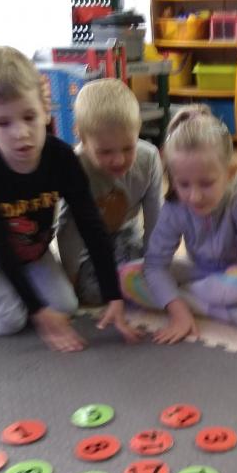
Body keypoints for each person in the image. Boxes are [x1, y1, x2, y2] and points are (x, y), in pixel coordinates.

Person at [0, 45, 139, 352]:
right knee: (9, 322)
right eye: (3, 123)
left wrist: (113, 296)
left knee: (66, 306)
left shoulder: (62, 159)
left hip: (33, 249)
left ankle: (16, 291)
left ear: (45, 108)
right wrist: (38, 312)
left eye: (29, 116)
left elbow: (91, 226)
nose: (21, 133)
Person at [131, 105, 237, 363]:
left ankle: (195, 300)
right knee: (129, 274)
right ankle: (213, 311)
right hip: (199, 272)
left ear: (230, 174)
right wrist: (178, 311)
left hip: (236, 274)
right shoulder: (175, 204)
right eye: (183, 184)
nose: (194, 196)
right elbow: (155, 265)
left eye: (206, 183)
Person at [57, 78, 163, 306]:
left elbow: (155, 219)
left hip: (126, 235)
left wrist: (155, 266)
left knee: (158, 276)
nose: (118, 160)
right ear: (82, 138)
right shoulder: (74, 166)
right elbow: (69, 230)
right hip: (87, 243)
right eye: (105, 152)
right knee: (92, 293)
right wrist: (70, 277)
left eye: (128, 148)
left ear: (138, 131)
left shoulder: (149, 159)